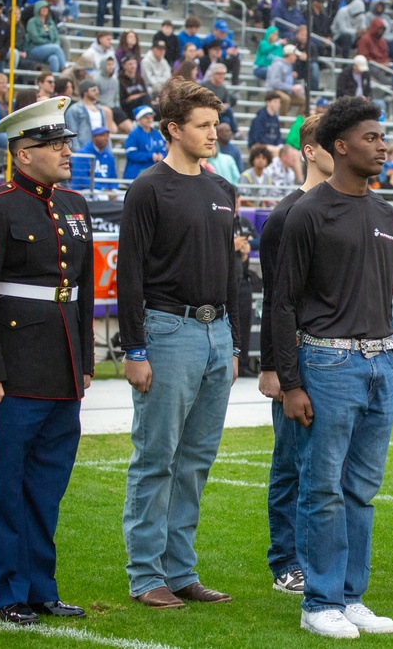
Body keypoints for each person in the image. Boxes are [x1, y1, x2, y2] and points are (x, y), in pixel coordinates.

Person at [0, 95, 93, 625]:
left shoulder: (74, 205)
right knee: (8, 485)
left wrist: (82, 363)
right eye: (53, 144)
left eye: (65, 143)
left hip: (61, 369)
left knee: (46, 488)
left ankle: (41, 588)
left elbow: (77, 292)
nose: (65, 151)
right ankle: (7, 592)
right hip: (12, 371)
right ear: (22, 153)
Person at [272, 96, 393, 639]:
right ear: (340, 146)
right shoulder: (308, 212)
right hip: (326, 361)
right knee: (321, 485)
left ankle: (350, 596)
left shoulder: (388, 212)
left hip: (381, 362)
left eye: (382, 137)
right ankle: (318, 601)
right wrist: (291, 383)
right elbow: (282, 303)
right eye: (371, 138)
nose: (382, 145)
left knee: (361, 490)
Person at [118, 78, 240, 610]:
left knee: (195, 461)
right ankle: (146, 576)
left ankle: (180, 569)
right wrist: (135, 349)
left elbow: (233, 270)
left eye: (216, 124)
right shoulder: (148, 187)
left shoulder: (221, 189)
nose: (214, 134)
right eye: (203, 126)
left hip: (217, 334)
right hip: (168, 331)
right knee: (156, 459)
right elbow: (129, 275)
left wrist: (235, 344)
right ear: (174, 129)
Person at [257, 115, 332, 597]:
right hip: (295, 354)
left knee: (325, 467)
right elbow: (274, 299)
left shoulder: (345, 208)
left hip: (335, 356)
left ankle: (317, 556)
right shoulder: (286, 215)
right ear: (310, 150)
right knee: (289, 462)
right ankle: (285, 558)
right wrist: (272, 367)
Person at [123, 106, 167, 181]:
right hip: (136, 173)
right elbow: (131, 154)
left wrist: (162, 155)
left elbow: (164, 150)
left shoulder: (157, 134)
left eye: (151, 117)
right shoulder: (134, 134)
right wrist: (150, 156)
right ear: (139, 119)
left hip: (154, 172)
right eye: (146, 117)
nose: (149, 120)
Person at [71, 125, 117, 192]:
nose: (106, 138)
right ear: (94, 137)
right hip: (85, 190)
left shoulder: (109, 156)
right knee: (101, 196)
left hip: (106, 191)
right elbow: (81, 179)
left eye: (107, 136)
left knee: (121, 196)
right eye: (102, 135)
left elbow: (113, 177)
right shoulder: (83, 154)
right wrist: (102, 189)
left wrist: (113, 189)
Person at [26, 1, 67, 73]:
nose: (45, 10)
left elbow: (56, 37)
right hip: (35, 48)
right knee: (56, 48)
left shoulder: (50, 22)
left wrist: (55, 43)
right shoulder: (32, 22)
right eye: (43, 8)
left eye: (46, 8)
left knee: (54, 59)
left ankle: (54, 79)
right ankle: (64, 69)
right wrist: (50, 44)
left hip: (50, 48)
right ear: (38, 9)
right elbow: (35, 38)